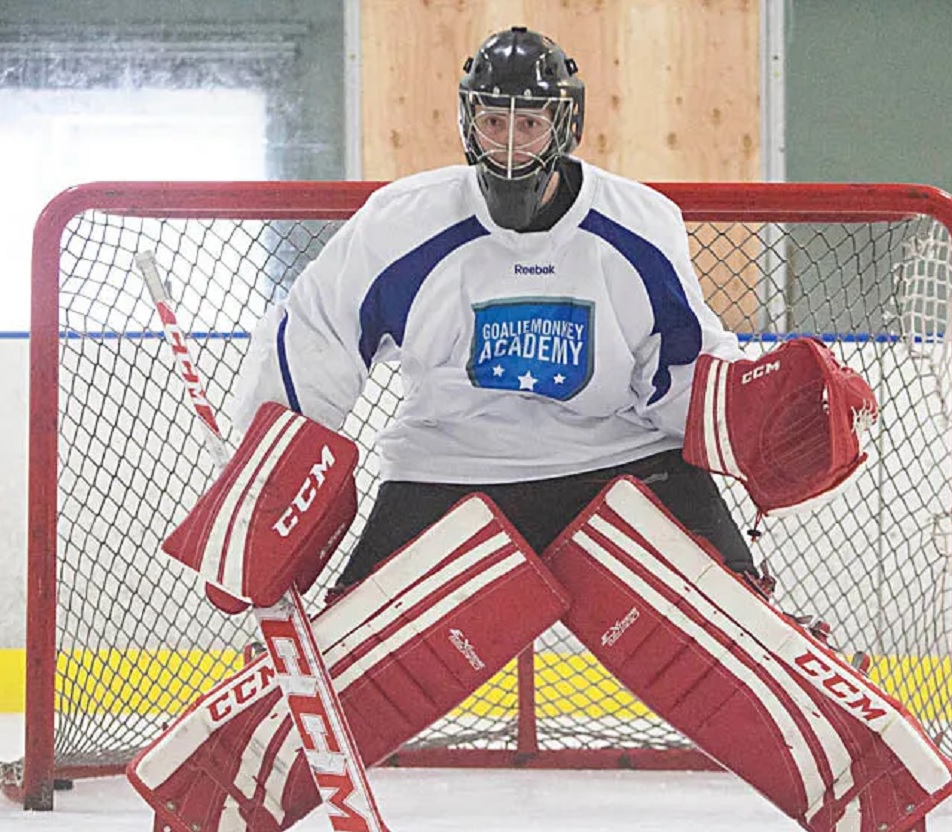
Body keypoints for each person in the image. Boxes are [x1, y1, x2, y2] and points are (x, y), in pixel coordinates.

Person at [231, 25, 757, 592]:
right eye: (493, 123)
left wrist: (755, 421)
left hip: (618, 456)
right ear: (468, 124)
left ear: (564, 126)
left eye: (529, 123)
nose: (509, 144)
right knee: (351, 660)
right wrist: (264, 475)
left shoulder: (640, 224)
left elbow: (683, 370)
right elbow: (316, 335)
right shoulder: (401, 222)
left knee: (741, 622)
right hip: (448, 466)